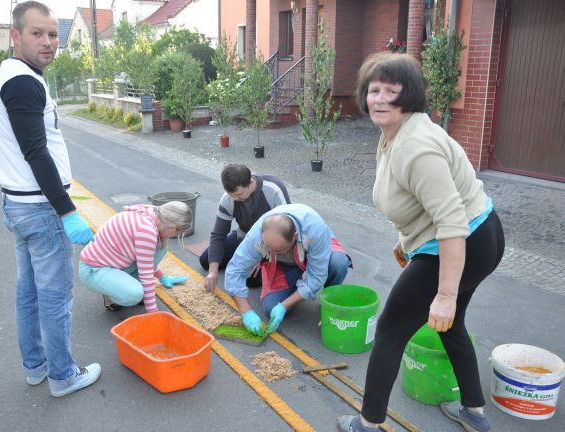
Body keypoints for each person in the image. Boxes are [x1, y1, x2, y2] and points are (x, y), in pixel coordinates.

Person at [336, 53, 504, 432]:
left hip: (461, 242)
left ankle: (367, 424)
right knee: (453, 325)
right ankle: (475, 412)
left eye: (390, 91)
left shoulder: (418, 146)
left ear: (408, 97)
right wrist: (404, 240)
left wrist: (444, 294)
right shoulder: (397, 132)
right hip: (475, 237)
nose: (379, 99)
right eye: (373, 90)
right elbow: (415, 202)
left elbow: (450, 222)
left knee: (391, 329)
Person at [0, 1, 100, 398]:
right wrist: (67, 212)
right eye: (38, 33)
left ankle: (36, 367)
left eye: (53, 34)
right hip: (40, 208)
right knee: (55, 297)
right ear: (16, 36)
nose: (48, 42)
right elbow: (36, 151)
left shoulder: (7, 74)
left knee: (29, 292)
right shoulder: (23, 82)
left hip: (19, 206)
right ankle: (63, 376)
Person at [224, 203, 352, 336]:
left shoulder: (315, 230)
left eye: (279, 250)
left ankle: (328, 301)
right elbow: (235, 269)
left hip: (316, 250)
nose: (273, 252)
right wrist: (246, 312)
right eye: (269, 249)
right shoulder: (256, 234)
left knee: (339, 263)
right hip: (286, 262)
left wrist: (284, 305)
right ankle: (294, 286)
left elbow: (317, 277)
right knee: (271, 308)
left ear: (295, 236)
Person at [79, 202, 192, 311]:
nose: (174, 236)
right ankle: (110, 293)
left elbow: (145, 261)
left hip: (113, 262)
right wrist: (153, 312)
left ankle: (118, 284)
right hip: (93, 270)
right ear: (173, 228)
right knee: (134, 295)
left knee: (161, 247)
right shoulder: (147, 232)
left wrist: (162, 277)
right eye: (177, 234)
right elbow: (146, 275)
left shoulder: (149, 213)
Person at [200, 164, 291, 293]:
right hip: (244, 238)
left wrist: (262, 257)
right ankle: (243, 260)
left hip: (271, 244)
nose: (235, 199)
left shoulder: (274, 189)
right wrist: (212, 273)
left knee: (251, 280)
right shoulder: (229, 198)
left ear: (251, 182)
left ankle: (268, 264)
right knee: (206, 260)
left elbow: (287, 230)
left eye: (239, 194)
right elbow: (218, 235)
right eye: (231, 195)